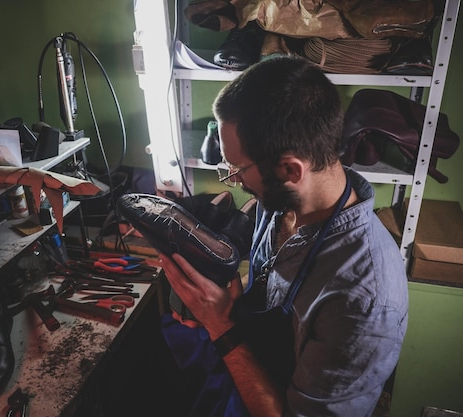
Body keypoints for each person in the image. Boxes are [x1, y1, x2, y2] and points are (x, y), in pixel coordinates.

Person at [159, 55, 409, 417]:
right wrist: (224, 299)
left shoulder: (364, 299)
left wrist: (219, 323)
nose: (235, 180)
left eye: (238, 169)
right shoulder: (280, 200)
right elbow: (271, 282)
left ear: (290, 169)